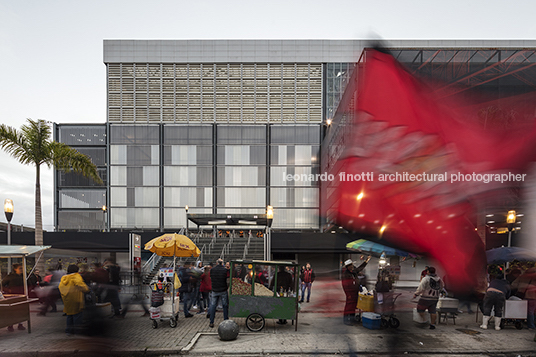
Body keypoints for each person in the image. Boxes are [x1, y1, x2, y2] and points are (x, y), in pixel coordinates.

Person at [58, 264, 90, 335]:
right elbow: (80, 285)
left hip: (67, 299)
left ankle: (69, 331)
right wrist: (87, 289)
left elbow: (60, 287)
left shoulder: (64, 278)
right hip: (76, 298)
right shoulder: (76, 276)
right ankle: (77, 331)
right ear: (77, 270)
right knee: (77, 315)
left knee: (69, 315)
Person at [1, 263, 27, 331]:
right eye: (20, 268)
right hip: (12, 296)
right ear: (15, 269)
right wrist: (8, 290)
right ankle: (10, 325)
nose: (21, 270)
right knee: (12, 311)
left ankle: (20, 324)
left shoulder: (23, 276)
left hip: (21, 295)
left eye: (22, 268)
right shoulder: (10, 276)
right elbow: (2, 285)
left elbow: (29, 283)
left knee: (20, 311)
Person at [511, 265, 536, 330]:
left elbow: (513, 285)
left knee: (521, 310)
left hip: (522, 295)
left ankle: (518, 321)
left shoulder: (522, 276)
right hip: (533, 296)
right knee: (531, 311)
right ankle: (531, 326)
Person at [209, 258, 229, 328]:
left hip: (215, 289)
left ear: (217, 263)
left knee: (213, 306)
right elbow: (227, 278)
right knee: (225, 306)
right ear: (222, 263)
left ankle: (211, 321)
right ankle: (226, 321)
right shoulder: (224, 270)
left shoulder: (212, 270)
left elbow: (211, 277)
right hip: (223, 289)